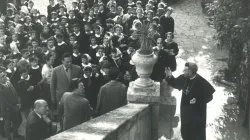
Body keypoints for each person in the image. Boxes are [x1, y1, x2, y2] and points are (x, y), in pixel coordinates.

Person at [164, 62, 215, 140]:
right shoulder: (184, 78)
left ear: (190, 72)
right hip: (186, 109)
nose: (183, 72)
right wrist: (169, 76)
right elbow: (176, 83)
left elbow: (210, 96)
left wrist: (197, 101)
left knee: (196, 132)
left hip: (197, 113)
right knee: (185, 130)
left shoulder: (201, 81)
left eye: (185, 70)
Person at [0, 66, 23, 140]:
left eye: (5, 75)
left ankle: (16, 134)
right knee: (7, 124)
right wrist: (14, 108)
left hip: (15, 106)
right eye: (2, 76)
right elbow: (4, 103)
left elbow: (15, 93)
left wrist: (18, 102)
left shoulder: (8, 82)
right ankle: (9, 138)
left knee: (17, 120)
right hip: (7, 109)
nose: (5, 77)